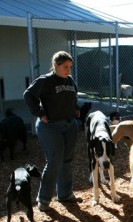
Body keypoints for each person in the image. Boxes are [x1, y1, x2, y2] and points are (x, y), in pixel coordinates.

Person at [24, 50, 81, 211]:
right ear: (56, 65)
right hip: (50, 127)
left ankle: (65, 194)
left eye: (70, 67)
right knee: (55, 160)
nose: (68, 70)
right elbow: (28, 95)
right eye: (65, 66)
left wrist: (76, 108)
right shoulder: (46, 80)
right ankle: (43, 199)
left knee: (67, 160)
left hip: (69, 125)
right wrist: (40, 114)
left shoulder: (69, 80)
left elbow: (73, 98)